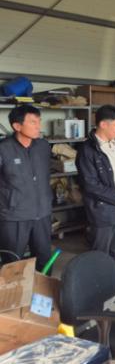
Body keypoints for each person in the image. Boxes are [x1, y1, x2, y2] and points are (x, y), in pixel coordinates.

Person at [76, 105, 115, 303]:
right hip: (103, 211)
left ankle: (109, 290)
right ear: (103, 124)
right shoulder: (87, 150)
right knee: (99, 254)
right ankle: (94, 294)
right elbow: (90, 185)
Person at [0, 105, 52, 271]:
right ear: (17, 126)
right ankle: (13, 290)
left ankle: (42, 288)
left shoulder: (43, 146)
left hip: (42, 214)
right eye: (33, 122)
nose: (38, 126)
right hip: (14, 216)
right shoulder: (4, 149)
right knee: (12, 262)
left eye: (39, 121)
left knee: (44, 259)